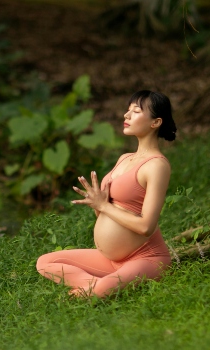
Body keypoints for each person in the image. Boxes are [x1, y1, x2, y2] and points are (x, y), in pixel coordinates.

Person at [36, 90, 177, 298]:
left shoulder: (156, 165)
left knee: (96, 293)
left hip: (146, 258)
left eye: (135, 111)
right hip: (112, 261)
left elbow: (146, 226)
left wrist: (104, 206)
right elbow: (107, 211)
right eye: (127, 110)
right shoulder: (124, 158)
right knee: (45, 262)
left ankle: (96, 288)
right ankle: (95, 285)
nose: (126, 116)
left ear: (155, 123)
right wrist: (97, 204)